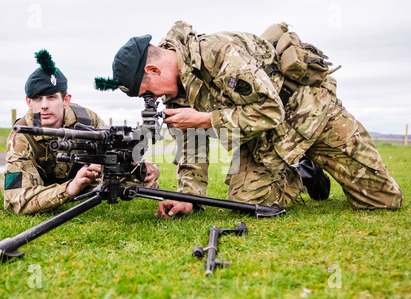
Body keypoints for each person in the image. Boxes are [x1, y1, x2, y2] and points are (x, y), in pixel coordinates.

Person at [95, 21, 402, 218]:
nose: (155, 99)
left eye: (148, 91)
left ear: (153, 70)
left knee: (383, 201)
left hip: (310, 114)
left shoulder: (218, 53)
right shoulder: (177, 92)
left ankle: (312, 156)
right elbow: (192, 147)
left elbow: (271, 110)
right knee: (247, 205)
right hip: (266, 138)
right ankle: (303, 171)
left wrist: (205, 119)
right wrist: (187, 197)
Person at [1, 49, 160, 215]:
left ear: (66, 100)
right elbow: (16, 200)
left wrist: (145, 168)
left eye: (51, 97)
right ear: (29, 102)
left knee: (137, 179)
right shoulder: (21, 136)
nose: (44, 105)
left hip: (84, 181)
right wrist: (70, 188)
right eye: (37, 98)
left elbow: (114, 153)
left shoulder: (87, 119)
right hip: (43, 187)